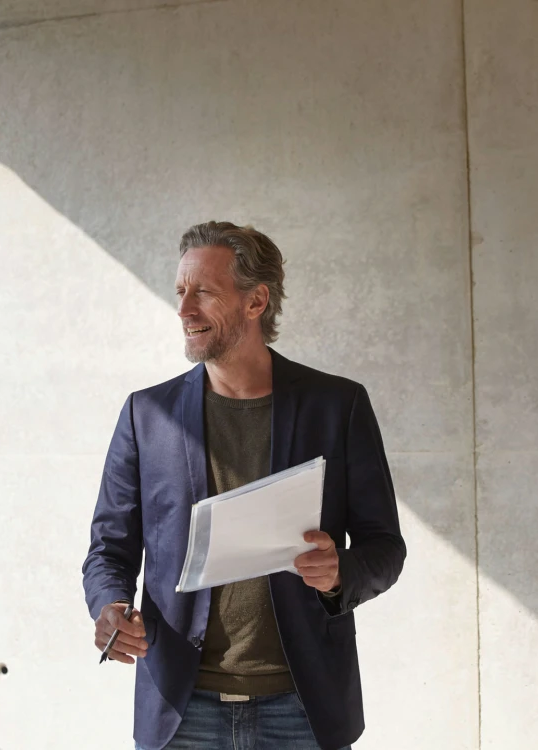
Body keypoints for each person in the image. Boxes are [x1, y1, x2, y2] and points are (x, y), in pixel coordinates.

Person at [83, 221, 406, 750]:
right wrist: (109, 605)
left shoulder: (337, 406)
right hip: (180, 711)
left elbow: (385, 547)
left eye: (204, 293)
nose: (184, 309)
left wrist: (338, 573)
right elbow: (108, 548)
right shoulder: (147, 414)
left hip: (304, 710)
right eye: (181, 291)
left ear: (256, 301)